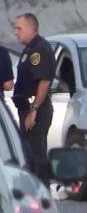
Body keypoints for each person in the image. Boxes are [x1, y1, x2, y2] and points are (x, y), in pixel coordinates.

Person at [12, 13, 55, 187]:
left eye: (19, 28)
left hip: (35, 110)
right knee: (29, 155)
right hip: (27, 108)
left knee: (37, 156)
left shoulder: (39, 49)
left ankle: (43, 194)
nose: (15, 32)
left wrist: (34, 110)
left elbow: (44, 81)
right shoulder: (29, 49)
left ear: (31, 28)